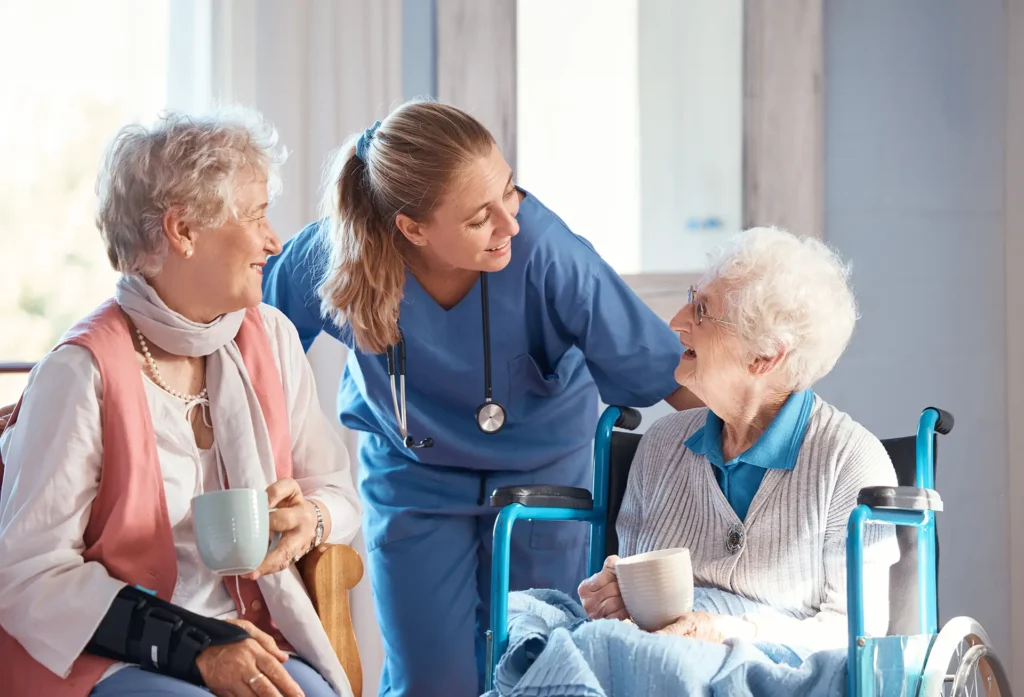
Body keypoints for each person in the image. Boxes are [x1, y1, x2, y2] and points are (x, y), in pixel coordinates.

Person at [261, 100, 700, 697]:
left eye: (510, 191)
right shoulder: (338, 255)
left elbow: (666, 374)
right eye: (478, 218)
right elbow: (251, 341)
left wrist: (776, 452)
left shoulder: (545, 251)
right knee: (429, 680)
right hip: (413, 474)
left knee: (537, 667)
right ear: (411, 228)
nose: (510, 223)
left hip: (544, 474)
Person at [0, 110, 362, 697]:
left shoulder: (269, 337)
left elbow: (339, 491)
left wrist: (311, 520)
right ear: (183, 231)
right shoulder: (78, 373)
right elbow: (30, 576)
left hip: (245, 635)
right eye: (256, 215)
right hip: (108, 656)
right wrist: (194, 646)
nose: (274, 240)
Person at [579, 227, 900, 651]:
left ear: (764, 355)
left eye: (702, 311)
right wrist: (619, 595)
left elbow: (855, 634)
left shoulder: (850, 462)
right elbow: (640, 616)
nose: (676, 322)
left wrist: (730, 633)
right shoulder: (661, 445)